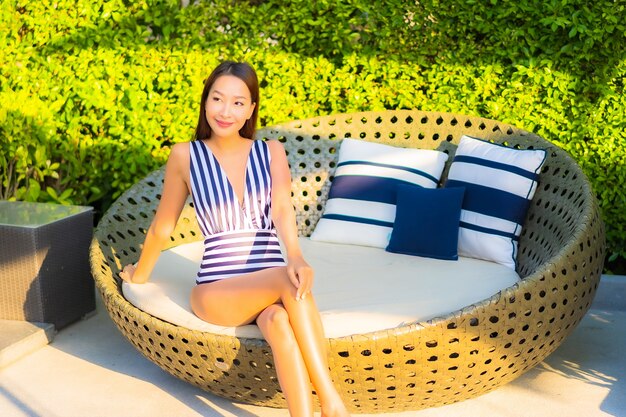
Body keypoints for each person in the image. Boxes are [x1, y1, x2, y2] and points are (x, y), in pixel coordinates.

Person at [119, 61, 350, 417]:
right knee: (288, 280)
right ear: (205, 102)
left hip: (268, 286)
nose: (226, 111)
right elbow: (162, 227)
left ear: (251, 109)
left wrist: (296, 255)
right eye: (218, 99)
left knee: (278, 322)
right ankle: (333, 401)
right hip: (218, 289)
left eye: (238, 102)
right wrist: (140, 274)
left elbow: (283, 211)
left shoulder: (270, 152)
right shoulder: (185, 155)